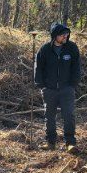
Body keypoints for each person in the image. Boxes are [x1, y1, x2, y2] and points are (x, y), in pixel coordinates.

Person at [34, 22, 81, 152]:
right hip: (49, 89)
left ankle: (70, 143)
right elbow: (38, 68)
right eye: (62, 34)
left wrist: (72, 85)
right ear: (55, 36)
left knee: (69, 115)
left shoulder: (72, 48)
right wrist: (41, 85)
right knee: (49, 117)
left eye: (67, 34)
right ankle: (50, 142)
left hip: (67, 89)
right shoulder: (44, 50)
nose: (66, 36)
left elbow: (76, 68)